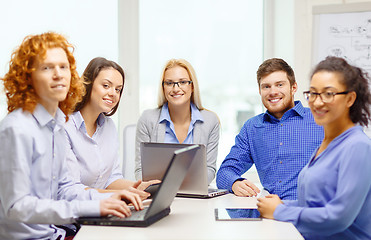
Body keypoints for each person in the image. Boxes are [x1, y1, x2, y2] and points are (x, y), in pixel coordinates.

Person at [0, 32, 143, 240]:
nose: (58, 74)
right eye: (47, 67)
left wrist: (107, 200)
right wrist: (91, 207)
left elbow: (66, 188)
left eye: (63, 67)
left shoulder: (57, 123)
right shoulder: (17, 128)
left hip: (54, 233)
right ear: (28, 76)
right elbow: (16, 206)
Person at [257, 56, 371, 239]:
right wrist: (282, 205)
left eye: (328, 94)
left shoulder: (357, 146)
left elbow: (338, 217)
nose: (317, 102)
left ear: (350, 98)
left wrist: (279, 211)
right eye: (313, 93)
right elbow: (313, 205)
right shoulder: (328, 143)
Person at [216, 58, 324, 200]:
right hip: (270, 215)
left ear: (294, 87)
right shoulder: (252, 128)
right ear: (260, 91)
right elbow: (224, 172)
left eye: (279, 85)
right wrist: (235, 183)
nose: (273, 92)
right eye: (266, 86)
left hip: (312, 213)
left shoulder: (321, 120)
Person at [65, 57, 157, 199]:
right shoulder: (65, 127)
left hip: (104, 210)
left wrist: (138, 187)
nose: (113, 93)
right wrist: (117, 195)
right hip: (75, 213)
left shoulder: (109, 127)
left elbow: (111, 178)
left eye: (118, 89)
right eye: (106, 86)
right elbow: (70, 189)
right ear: (88, 85)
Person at [134, 59, 220, 184]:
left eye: (182, 82)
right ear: (163, 87)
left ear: (192, 86)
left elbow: (210, 169)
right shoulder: (147, 119)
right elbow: (140, 170)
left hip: (195, 197)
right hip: (157, 194)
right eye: (169, 83)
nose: (175, 88)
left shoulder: (210, 121)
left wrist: (182, 185)